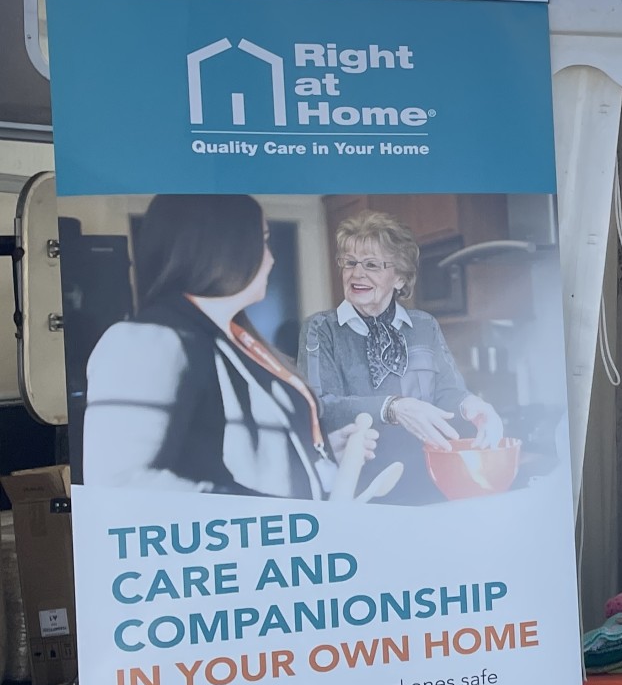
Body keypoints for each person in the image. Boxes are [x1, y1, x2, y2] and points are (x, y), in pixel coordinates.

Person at [82, 195, 385, 499]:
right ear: (223, 246)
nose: (271, 259)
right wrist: (269, 512)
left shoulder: (233, 339)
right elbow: (120, 484)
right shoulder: (147, 340)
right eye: (263, 241)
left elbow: (226, 452)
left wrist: (314, 452)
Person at [300, 211, 503, 504]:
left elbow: (449, 392)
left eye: (371, 264)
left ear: (400, 278)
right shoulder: (321, 329)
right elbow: (320, 405)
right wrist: (394, 407)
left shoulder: (424, 326)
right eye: (350, 262)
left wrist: (473, 406)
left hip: (431, 484)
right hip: (362, 491)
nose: (357, 273)